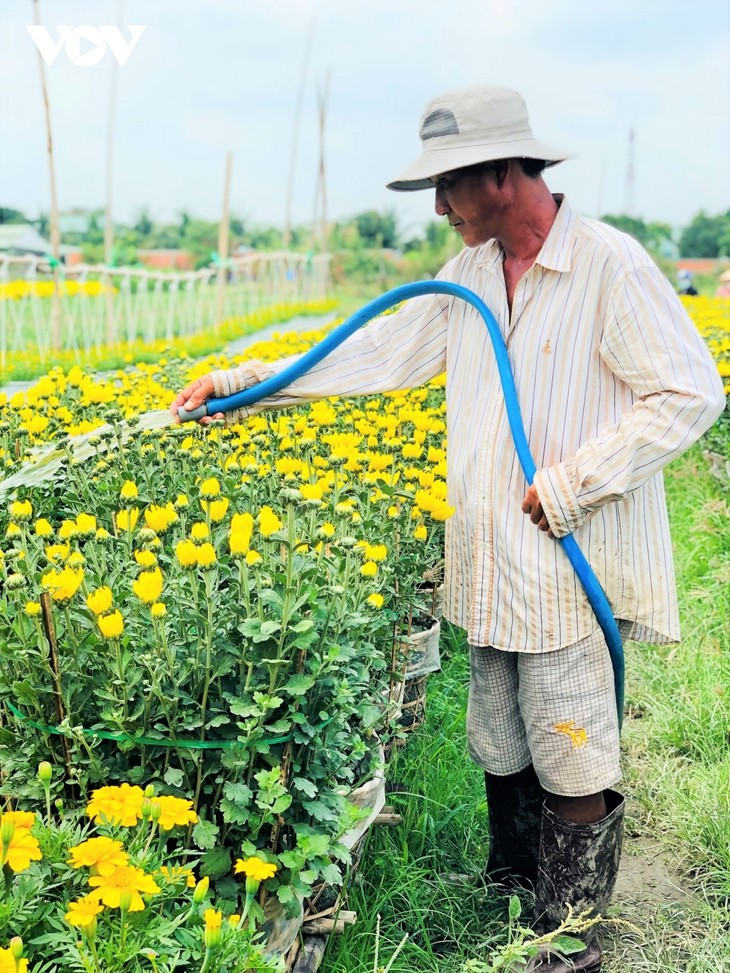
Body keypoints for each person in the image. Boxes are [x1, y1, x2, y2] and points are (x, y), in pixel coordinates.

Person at [173, 86, 725, 972]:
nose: (437, 208)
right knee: (501, 735)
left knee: (571, 746)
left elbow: (691, 391)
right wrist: (243, 383)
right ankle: (512, 884)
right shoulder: (466, 277)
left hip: (571, 560)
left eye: (448, 187)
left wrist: (578, 482)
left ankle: (569, 931)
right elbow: (374, 352)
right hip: (495, 561)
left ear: (503, 175)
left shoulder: (608, 267)